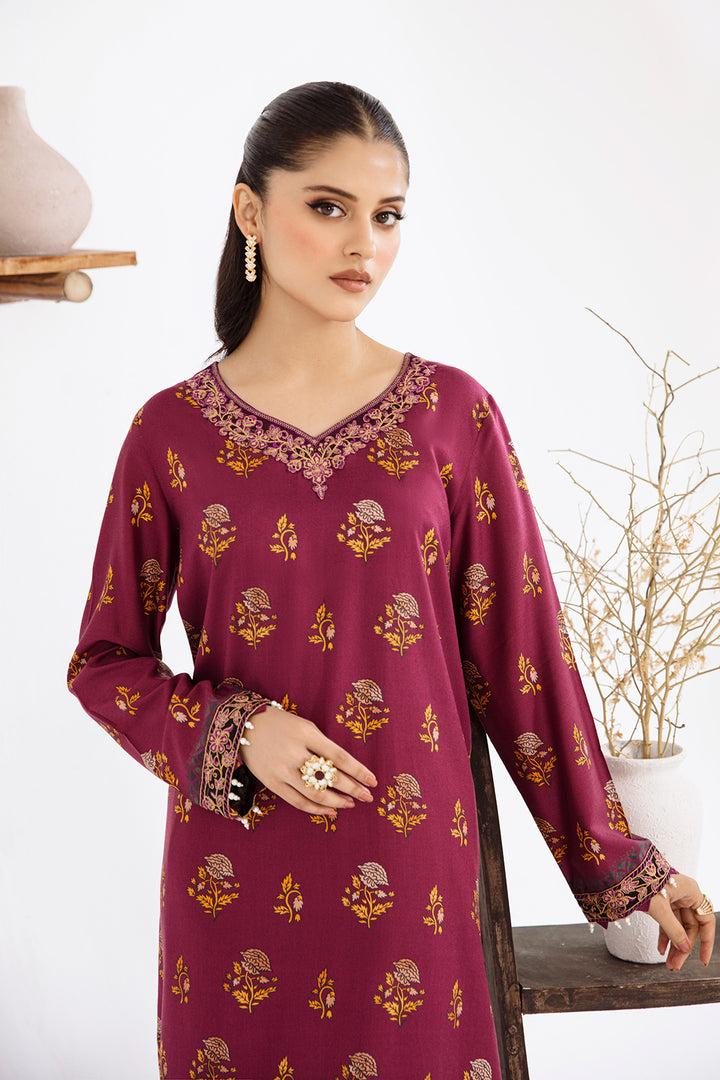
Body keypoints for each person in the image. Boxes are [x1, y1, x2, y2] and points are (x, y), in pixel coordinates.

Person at [68, 81, 715, 1080]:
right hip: (236, 878)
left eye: (387, 215)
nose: (362, 243)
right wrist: (234, 732)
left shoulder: (453, 416)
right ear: (250, 212)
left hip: (413, 885)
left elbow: (525, 668)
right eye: (329, 206)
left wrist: (624, 865)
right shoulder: (171, 434)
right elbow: (105, 664)